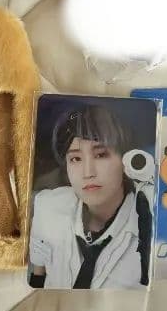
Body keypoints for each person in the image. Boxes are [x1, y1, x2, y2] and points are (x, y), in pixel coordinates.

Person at [28, 104, 152, 289]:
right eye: (75, 159)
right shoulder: (47, 205)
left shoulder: (149, 223)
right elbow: (38, 273)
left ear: (127, 159)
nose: (88, 173)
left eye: (101, 155)